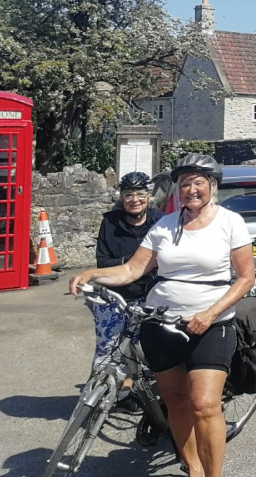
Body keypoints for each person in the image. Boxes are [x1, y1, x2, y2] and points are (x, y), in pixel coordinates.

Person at [69, 153, 254, 477]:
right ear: (177, 190)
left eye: (199, 182)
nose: (191, 189)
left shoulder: (230, 222)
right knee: (177, 401)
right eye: (185, 184)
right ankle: (194, 468)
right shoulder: (164, 225)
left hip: (210, 325)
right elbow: (132, 269)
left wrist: (210, 314)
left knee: (205, 405)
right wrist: (92, 274)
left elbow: (245, 278)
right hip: (161, 323)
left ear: (212, 185)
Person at [90, 171, 163, 410]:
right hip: (115, 295)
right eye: (128, 194)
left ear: (148, 196)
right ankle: (99, 400)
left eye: (140, 194)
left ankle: (132, 390)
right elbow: (103, 263)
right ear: (121, 198)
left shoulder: (159, 221)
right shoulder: (110, 223)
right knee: (108, 349)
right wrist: (137, 262)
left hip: (149, 295)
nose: (134, 199)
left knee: (145, 349)